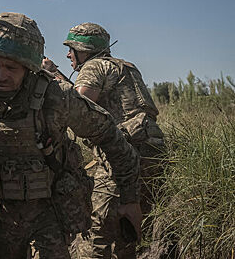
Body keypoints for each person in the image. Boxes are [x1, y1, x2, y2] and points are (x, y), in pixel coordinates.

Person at [0, 13, 141, 259]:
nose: (0, 76)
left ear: (29, 69)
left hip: (50, 216)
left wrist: (129, 199)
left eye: (11, 68)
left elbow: (112, 139)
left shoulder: (57, 98)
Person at [47, 22, 165, 258]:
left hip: (121, 156)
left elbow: (78, 107)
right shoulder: (127, 67)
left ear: (84, 49)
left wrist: (52, 76)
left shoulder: (93, 66)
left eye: (72, 48)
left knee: (99, 234)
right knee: (129, 233)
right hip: (155, 154)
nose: (68, 54)